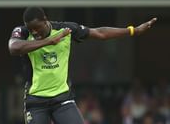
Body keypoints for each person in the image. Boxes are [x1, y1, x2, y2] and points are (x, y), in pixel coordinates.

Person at [8, 7, 157, 124]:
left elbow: (100, 33)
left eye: (37, 28)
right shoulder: (22, 31)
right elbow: (14, 48)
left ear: (45, 19)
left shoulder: (65, 30)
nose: (34, 32)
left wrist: (133, 30)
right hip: (36, 102)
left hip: (62, 99)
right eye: (31, 29)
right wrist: (49, 41)